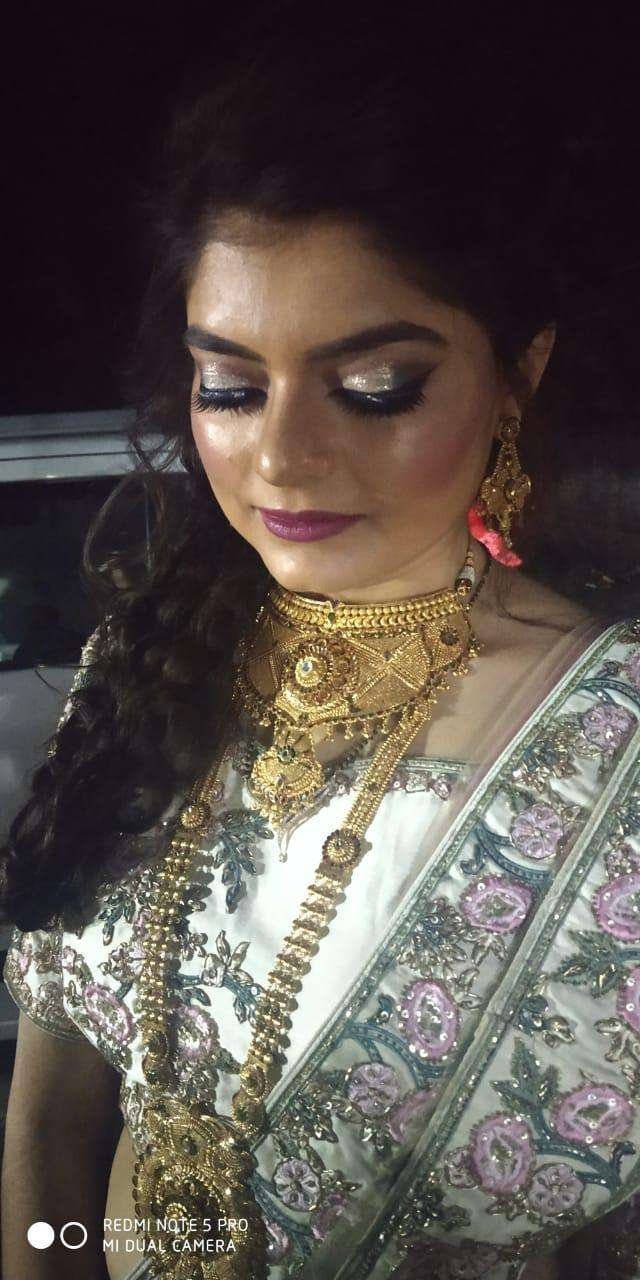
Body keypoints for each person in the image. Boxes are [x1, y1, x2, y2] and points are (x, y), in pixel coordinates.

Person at [1, 14, 639, 1280]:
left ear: (516, 375)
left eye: (374, 387)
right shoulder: (149, 655)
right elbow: (54, 1092)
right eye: (231, 388)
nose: (283, 458)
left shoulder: (610, 742)